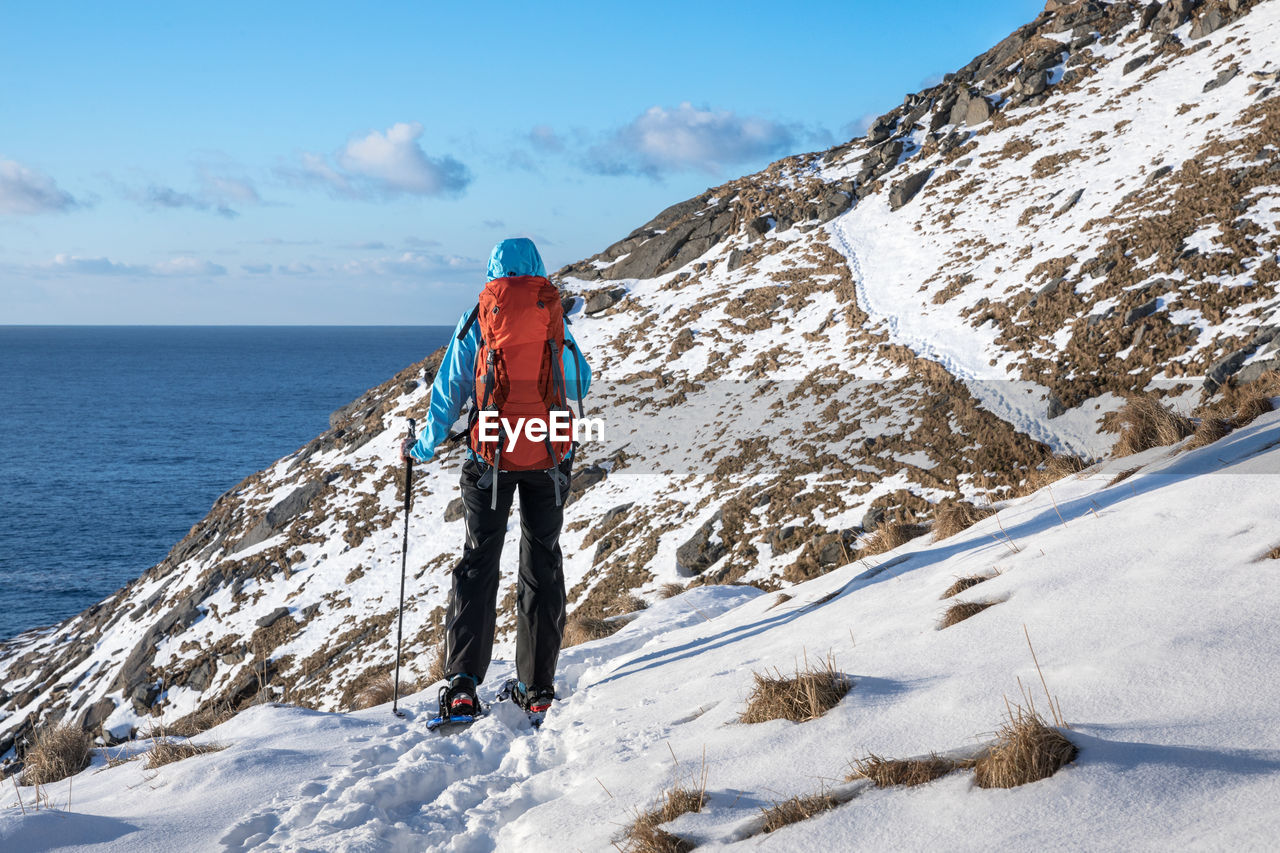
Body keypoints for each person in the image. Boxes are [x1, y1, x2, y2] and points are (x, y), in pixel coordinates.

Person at [401, 237, 591, 723]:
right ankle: (537, 688)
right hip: (548, 453)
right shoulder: (553, 315)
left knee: (479, 561)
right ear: (538, 269)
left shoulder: (480, 317)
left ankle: (463, 686)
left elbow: (447, 394)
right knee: (541, 559)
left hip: (491, 456)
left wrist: (421, 447)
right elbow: (579, 382)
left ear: (492, 271)